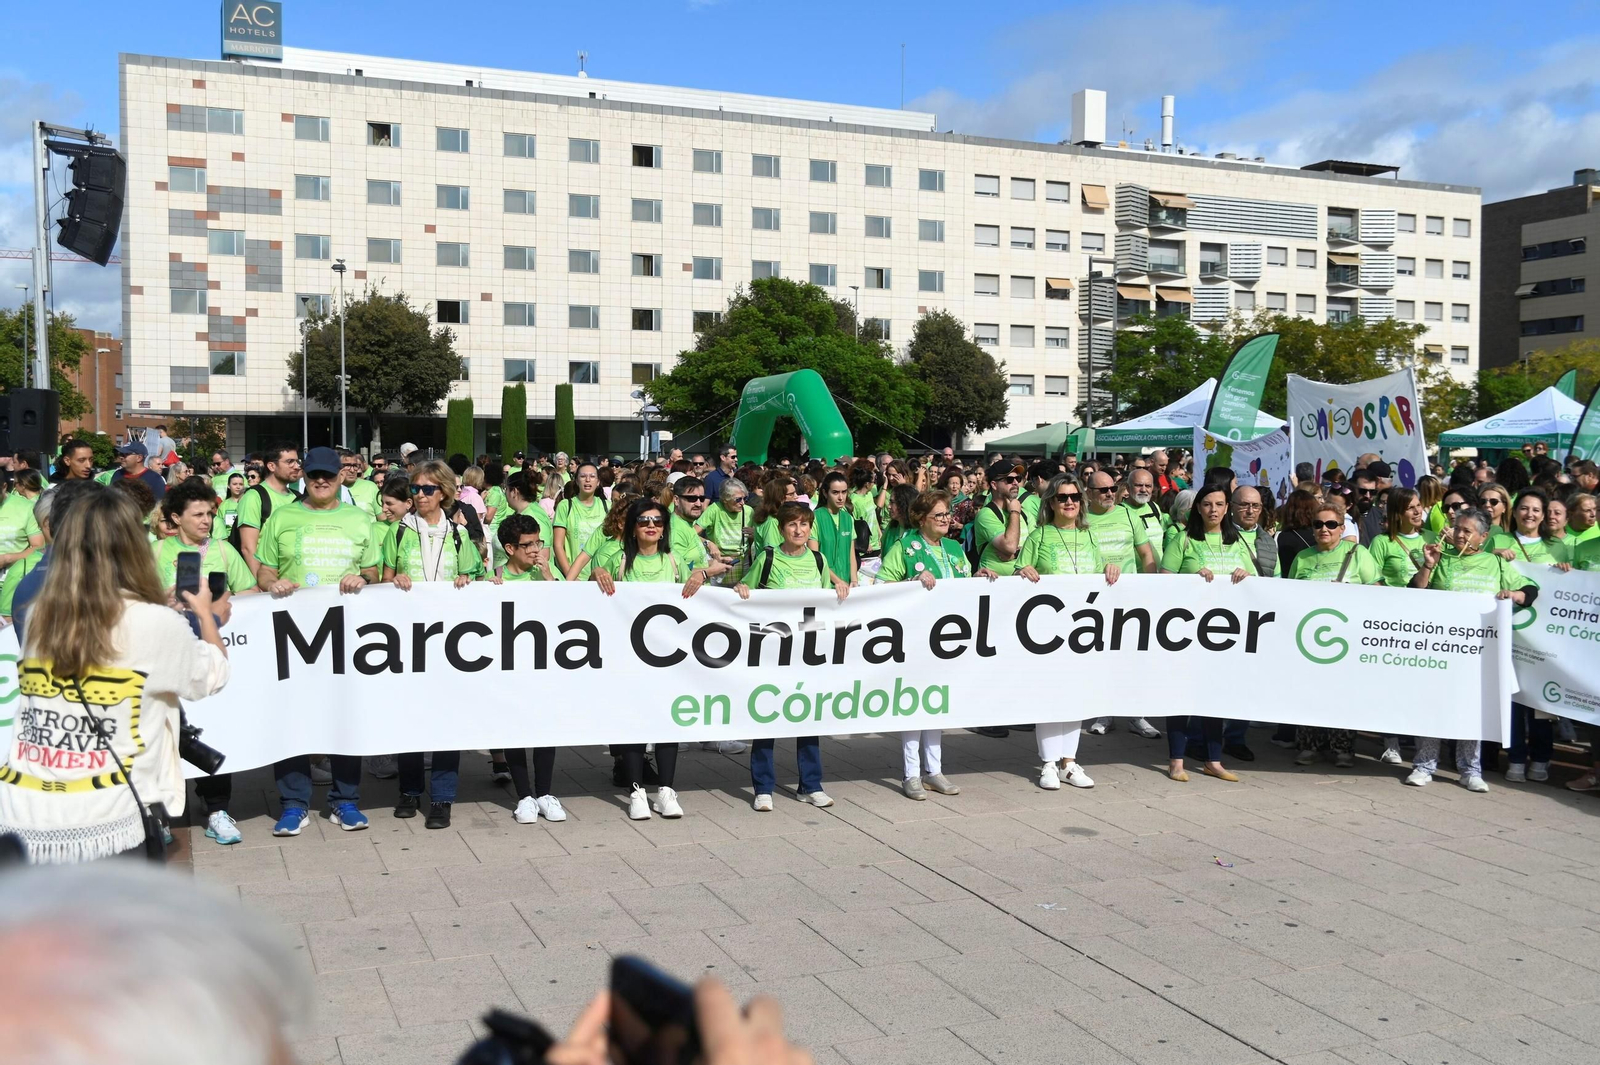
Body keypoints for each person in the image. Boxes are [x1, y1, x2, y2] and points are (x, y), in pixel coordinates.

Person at [0, 488, 230, 861]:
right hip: (105, 820)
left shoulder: (42, 609)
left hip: (23, 813)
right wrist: (207, 616)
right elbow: (211, 675)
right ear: (131, 544)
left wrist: (157, 606)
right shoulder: (152, 622)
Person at [254, 447, 381, 836]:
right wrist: (271, 583)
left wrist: (365, 579)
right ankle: (294, 804)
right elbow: (263, 571)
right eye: (313, 475)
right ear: (303, 477)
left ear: (342, 476)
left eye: (328, 474)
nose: (321, 481)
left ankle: (345, 802)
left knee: (343, 714)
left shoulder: (360, 519)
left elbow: (375, 570)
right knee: (293, 716)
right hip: (293, 633)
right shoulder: (282, 516)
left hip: (346, 635)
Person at [1406, 507, 1538, 792]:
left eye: (1467, 531)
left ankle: (1469, 769)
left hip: (1478, 652)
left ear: (1483, 537)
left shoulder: (1495, 563)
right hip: (1439, 647)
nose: (1460, 535)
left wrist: (1513, 594)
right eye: (1457, 528)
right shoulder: (1443, 558)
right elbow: (1414, 592)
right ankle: (1424, 764)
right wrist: (1428, 565)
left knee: (1470, 708)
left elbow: (1530, 591)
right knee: (1434, 704)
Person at [594, 497, 708, 820]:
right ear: (632, 526)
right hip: (628, 656)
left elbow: (698, 591)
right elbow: (588, 592)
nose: (651, 526)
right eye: (644, 521)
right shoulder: (615, 558)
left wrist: (700, 576)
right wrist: (596, 571)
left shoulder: (672, 560)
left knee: (667, 722)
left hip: (668, 657)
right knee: (633, 723)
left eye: (657, 521)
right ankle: (636, 792)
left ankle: (666, 791)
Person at [877, 489, 994, 799]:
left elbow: (964, 584)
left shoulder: (955, 548)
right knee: (914, 703)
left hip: (949, 639)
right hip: (915, 637)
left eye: (947, 515)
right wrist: (910, 583)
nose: (946, 520)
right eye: (939, 515)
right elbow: (879, 587)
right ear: (921, 519)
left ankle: (934, 770)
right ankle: (911, 773)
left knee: (936, 703)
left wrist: (979, 575)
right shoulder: (904, 547)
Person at [733, 501, 846, 811]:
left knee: (807, 718)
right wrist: (743, 589)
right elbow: (745, 590)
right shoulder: (768, 559)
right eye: (792, 525)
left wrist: (840, 590)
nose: (799, 530)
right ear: (781, 529)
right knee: (767, 718)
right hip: (772, 654)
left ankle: (810, 785)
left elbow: (824, 607)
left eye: (804, 524)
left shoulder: (820, 561)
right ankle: (763, 788)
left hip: (807, 654)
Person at [1016, 474, 1112, 791]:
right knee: (1048, 695)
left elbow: (1104, 576)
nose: (1069, 502)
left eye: (1074, 496)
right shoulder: (1039, 536)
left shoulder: (1091, 536)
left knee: (1076, 696)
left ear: (1081, 501)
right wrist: (1022, 570)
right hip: (1047, 631)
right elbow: (1018, 572)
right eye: (1062, 497)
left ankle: (1069, 763)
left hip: (1083, 632)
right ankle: (1047, 763)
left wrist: (1113, 568)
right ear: (1051, 503)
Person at [1164, 484, 1250, 784]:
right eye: (1207, 504)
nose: (1213, 509)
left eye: (1219, 504)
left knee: (1215, 696)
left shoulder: (1236, 541)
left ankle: (1213, 760)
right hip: (1186, 633)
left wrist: (1245, 575)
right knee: (1181, 696)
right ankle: (1176, 760)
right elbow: (1163, 582)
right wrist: (1193, 580)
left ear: (1227, 508)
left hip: (1224, 635)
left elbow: (1255, 583)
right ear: (1197, 508)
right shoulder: (1182, 540)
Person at [234, 444, 302, 581]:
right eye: (290, 462)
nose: (296, 466)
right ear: (271, 466)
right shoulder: (254, 496)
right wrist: (262, 585)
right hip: (267, 583)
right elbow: (248, 548)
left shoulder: (298, 497)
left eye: (297, 461)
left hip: (292, 581)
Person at [553, 462, 606, 580]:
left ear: (598, 482)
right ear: (576, 481)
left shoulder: (607, 506)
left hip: (602, 577)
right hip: (575, 577)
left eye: (592, 476)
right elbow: (558, 545)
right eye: (583, 476)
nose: (588, 480)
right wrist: (571, 576)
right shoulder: (565, 506)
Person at [813, 470, 858, 587]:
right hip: (825, 585)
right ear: (825, 493)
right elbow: (814, 556)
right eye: (835, 492)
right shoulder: (815, 517)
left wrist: (854, 580)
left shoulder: (848, 518)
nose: (841, 497)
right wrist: (838, 581)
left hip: (846, 584)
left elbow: (851, 553)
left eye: (844, 492)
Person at [0, 475, 44, 586]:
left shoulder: (26, 508)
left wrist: (7, 559)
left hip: (13, 582)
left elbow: (39, 546)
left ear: (4, 487)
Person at [211, 471, 246, 541]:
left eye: (241, 484)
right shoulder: (224, 505)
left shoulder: (248, 502)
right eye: (235, 484)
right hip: (229, 540)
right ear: (228, 486)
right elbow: (219, 525)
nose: (238, 487)